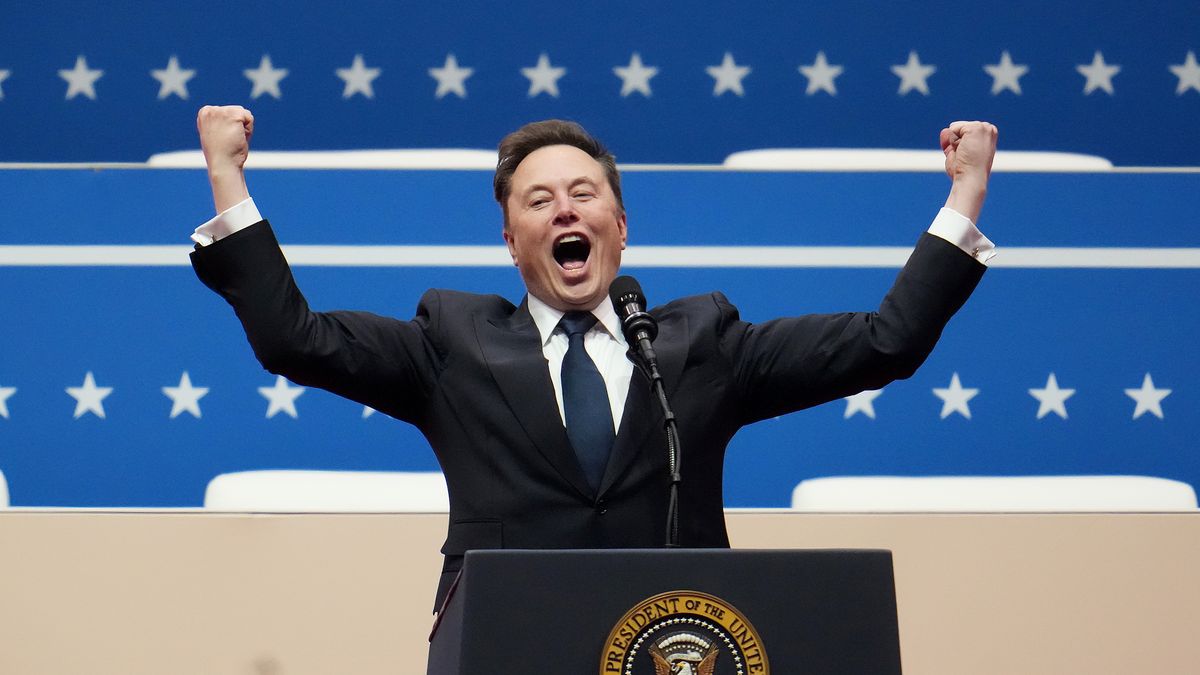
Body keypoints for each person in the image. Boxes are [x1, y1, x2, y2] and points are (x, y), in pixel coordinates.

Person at [191, 106, 996, 609]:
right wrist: (227, 176)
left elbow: (885, 341)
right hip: (507, 645)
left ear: (620, 224)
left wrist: (964, 196)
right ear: (511, 242)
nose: (565, 208)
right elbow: (294, 337)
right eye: (538, 200)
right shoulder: (451, 343)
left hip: (677, 644)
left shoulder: (700, 342)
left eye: (584, 193)